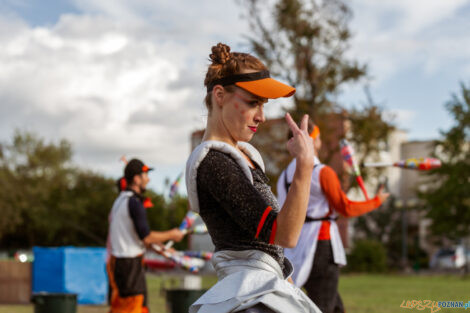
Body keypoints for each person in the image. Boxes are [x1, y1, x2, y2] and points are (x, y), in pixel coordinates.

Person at [185, 43, 321, 313]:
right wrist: (304, 166)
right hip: (246, 295)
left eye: (263, 105)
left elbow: (273, 248)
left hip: (261, 287)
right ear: (220, 95)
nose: (261, 116)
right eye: (252, 103)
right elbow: (283, 235)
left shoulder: (242, 156)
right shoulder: (214, 163)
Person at [276, 122, 390, 313]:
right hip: (320, 243)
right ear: (312, 141)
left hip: (294, 245)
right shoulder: (322, 172)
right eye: (318, 137)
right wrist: (376, 201)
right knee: (324, 304)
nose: (320, 141)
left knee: (333, 303)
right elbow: (345, 208)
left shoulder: (284, 176)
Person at [106, 158, 184, 313]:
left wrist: (162, 250)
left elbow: (135, 238)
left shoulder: (120, 200)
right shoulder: (134, 203)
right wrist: (173, 234)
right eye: (145, 175)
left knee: (132, 307)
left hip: (121, 264)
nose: (148, 179)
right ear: (136, 178)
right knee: (131, 308)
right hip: (129, 266)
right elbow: (146, 237)